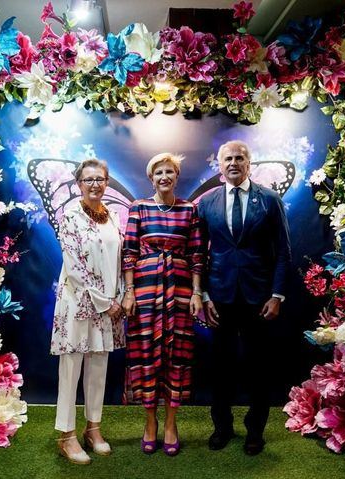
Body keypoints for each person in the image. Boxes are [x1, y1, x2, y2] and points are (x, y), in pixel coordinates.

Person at [198, 140, 292, 456]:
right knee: (220, 368)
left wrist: (277, 294)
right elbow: (199, 253)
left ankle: (255, 431)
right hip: (220, 298)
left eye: (240, 157)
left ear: (249, 163)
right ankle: (221, 428)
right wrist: (205, 294)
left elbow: (283, 251)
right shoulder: (207, 203)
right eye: (228, 158)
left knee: (258, 369)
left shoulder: (269, 199)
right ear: (220, 165)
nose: (234, 163)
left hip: (259, 298)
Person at [121, 153, 205, 456]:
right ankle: (149, 422)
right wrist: (129, 291)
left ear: (177, 176)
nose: (164, 177)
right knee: (145, 354)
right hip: (145, 289)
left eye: (170, 171)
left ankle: (171, 423)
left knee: (176, 355)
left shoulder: (189, 210)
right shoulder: (138, 208)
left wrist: (196, 293)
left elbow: (197, 254)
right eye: (159, 172)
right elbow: (129, 251)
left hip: (180, 290)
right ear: (150, 178)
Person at [51, 158, 125, 465]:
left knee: (99, 368)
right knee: (71, 369)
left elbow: (119, 261)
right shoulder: (70, 215)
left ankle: (93, 428)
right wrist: (106, 302)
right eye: (89, 179)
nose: (95, 184)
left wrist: (118, 296)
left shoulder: (112, 217)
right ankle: (66, 436)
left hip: (108, 305)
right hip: (79, 303)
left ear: (107, 183)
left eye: (100, 179)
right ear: (79, 184)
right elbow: (76, 267)